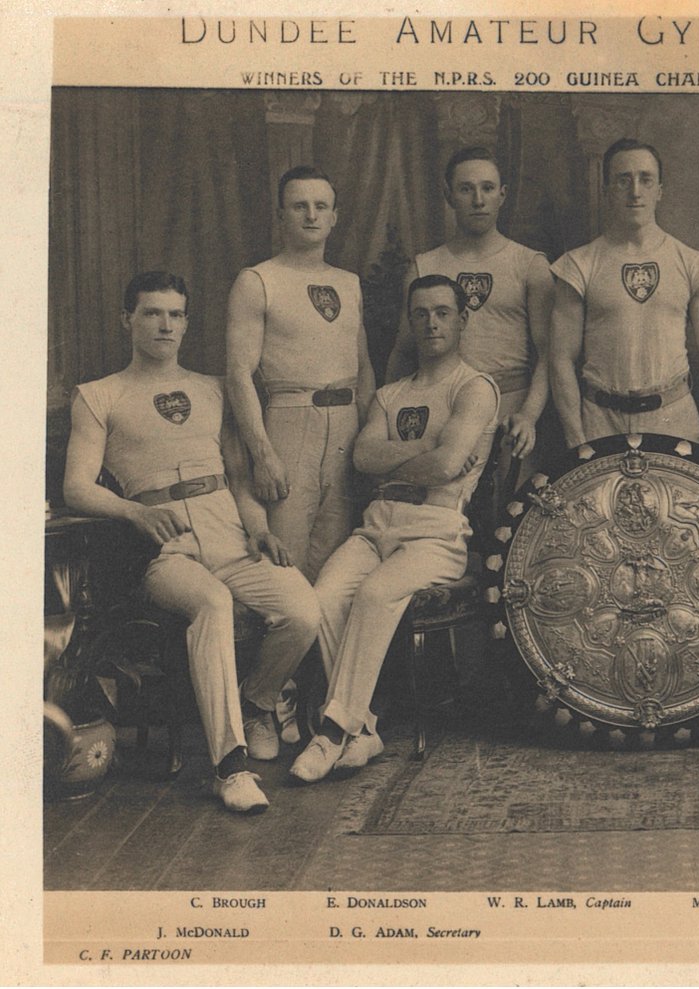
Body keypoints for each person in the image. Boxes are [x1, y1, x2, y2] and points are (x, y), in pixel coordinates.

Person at [62, 271, 320, 813]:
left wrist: (259, 530)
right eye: (152, 313)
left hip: (228, 530)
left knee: (302, 607)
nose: (165, 325)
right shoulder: (99, 395)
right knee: (212, 602)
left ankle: (258, 701)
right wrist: (136, 512)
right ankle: (232, 767)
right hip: (163, 548)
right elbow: (77, 487)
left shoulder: (213, 388)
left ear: (186, 322)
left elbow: (235, 475)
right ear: (127, 319)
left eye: (176, 314)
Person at [290, 275, 499, 782]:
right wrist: (427, 452)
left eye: (444, 312)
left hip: (436, 531)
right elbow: (364, 457)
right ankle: (363, 730)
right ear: (411, 321)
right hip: (377, 525)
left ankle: (334, 732)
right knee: (324, 594)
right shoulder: (389, 394)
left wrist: (404, 459)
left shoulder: (474, 388)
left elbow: (450, 468)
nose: (432, 322)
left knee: (377, 593)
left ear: (462, 319)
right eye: (422, 313)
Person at [549, 137, 699, 473]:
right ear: (607, 190)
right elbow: (561, 358)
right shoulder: (578, 265)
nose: (635, 191)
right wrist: (576, 438)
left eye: (645, 180)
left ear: (660, 189)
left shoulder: (693, 264)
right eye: (623, 180)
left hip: (674, 420)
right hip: (600, 421)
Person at [225, 164, 376, 583]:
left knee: (335, 569)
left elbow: (363, 369)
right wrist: (264, 454)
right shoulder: (258, 280)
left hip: (347, 427)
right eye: (299, 206)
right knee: (285, 566)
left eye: (320, 206)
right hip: (290, 423)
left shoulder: (349, 283)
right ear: (280, 216)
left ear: (334, 217)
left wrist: (370, 437)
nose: (311, 215)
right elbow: (238, 374)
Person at [384, 146, 553, 477]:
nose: (478, 200)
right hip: (441, 412)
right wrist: (392, 425)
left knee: (506, 521)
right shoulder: (424, 266)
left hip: (509, 410)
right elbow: (403, 353)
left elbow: (549, 354)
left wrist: (529, 416)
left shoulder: (530, 264)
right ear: (448, 195)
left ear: (502, 195)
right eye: (466, 189)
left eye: (487, 188)